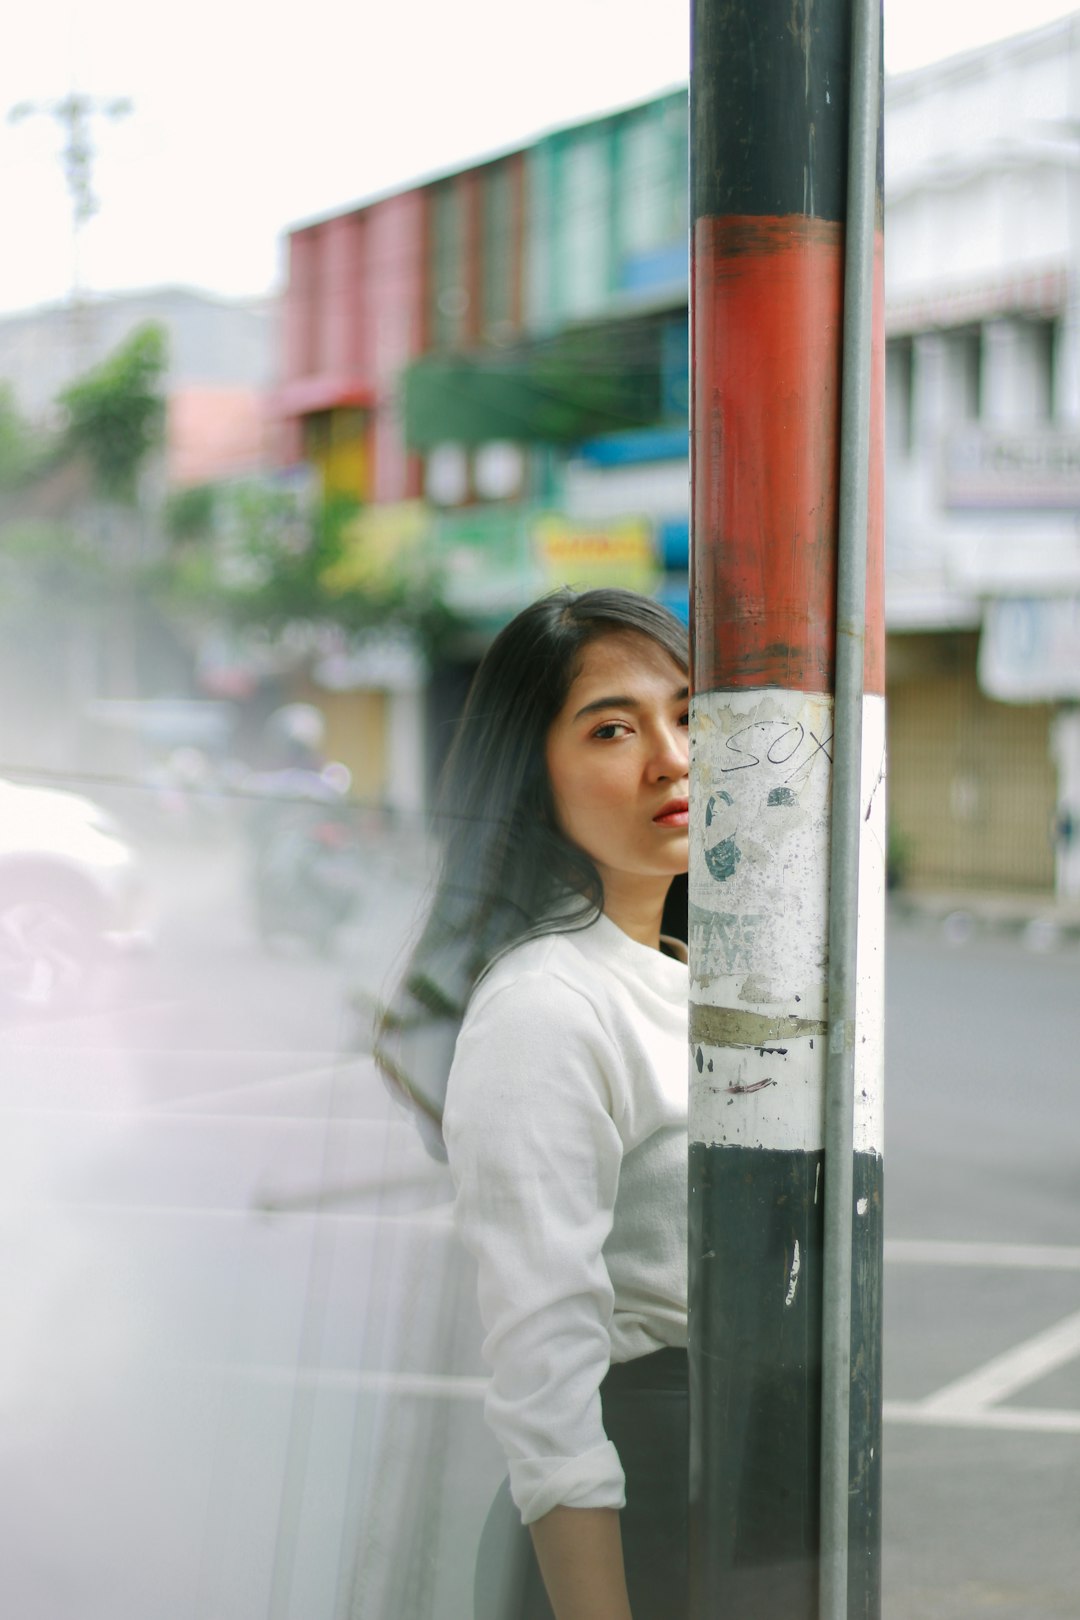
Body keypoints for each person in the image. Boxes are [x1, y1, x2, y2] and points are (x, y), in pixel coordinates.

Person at [377, 587, 690, 1619]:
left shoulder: (687, 975)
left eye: (689, 713)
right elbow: (546, 1380)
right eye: (613, 727)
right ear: (532, 771)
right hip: (626, 1536)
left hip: (727, 1499)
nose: (671, 758)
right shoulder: (545, 1008)